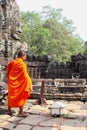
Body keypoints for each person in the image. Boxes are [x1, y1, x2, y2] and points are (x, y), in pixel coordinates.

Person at [6, 50, 32, 117]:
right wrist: (30, 84)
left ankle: (9, 111)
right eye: (25, 56)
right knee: (22, 95)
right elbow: (25, 75)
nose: (25, 57)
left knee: (11, 95)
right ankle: (20, 112)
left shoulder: (12, 62)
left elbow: (8, 71)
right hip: (19, 84)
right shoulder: (22, 64)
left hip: (12, 82)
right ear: (23, 56)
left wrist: (10, 78)